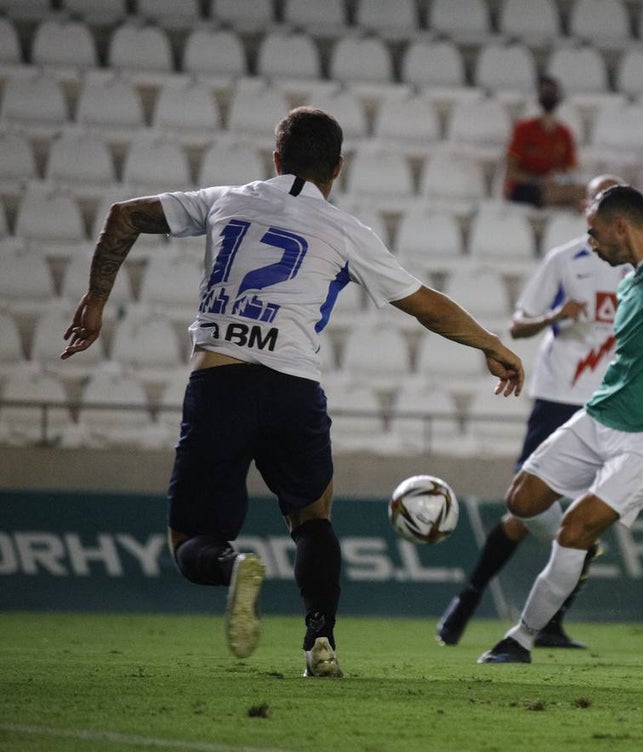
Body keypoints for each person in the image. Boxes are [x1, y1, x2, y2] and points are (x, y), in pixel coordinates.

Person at [61, 107, 524, 678]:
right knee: (312, 520)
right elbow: (424, 303)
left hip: (219, 380)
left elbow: (124, 215)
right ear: (338, 167)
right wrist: (489, 343)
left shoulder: (225, 200)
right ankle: (320, 642)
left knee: (190, 539)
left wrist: (97, 298)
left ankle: (232, 567)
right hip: (294, 388)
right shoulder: (347, 230)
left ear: (275, 158)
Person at [477, 184, 643, 664]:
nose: (591, 243)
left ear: (621, 225)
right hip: (603, 414)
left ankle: (522, 638)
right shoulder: (630, 283)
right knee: (523, 499)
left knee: (576, 528)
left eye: (594, 233)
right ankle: (570, 559)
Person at [436, 174, 628, 649]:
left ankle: (549, 623)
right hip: (559, 395)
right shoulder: (564, 260)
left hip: (607, 401)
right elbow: (519, 326)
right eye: (598, 197)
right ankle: (470, 596)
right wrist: (554, 317)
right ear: (587, 205)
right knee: (526, 508)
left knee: (587, 515)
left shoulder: (638, 268)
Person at [503, 75, 584, 209]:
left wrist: (556, 179)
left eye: (551, 92)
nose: (548, 96)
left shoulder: (564, 134)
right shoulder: (523, 129)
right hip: (523, 188)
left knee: (583, 192)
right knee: (562, 194)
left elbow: (569, 169)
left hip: (552, 187)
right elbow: (511, 172)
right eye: (545, 92)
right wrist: (538, 181)